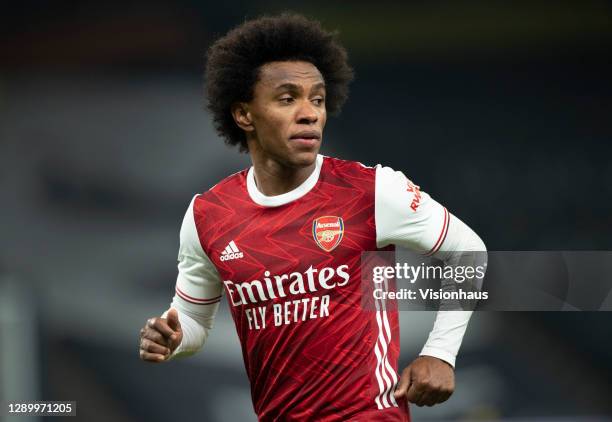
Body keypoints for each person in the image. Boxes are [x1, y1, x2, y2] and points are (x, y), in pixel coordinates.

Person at [138, 13, 486, 421]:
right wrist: (172, 337)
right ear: (244, 114)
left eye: (317, 99)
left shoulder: (370, 191)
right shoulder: (208, 216)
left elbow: (468, 251)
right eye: (287, 99)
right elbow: (194, 322)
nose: (310, 113)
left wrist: (440, 353)